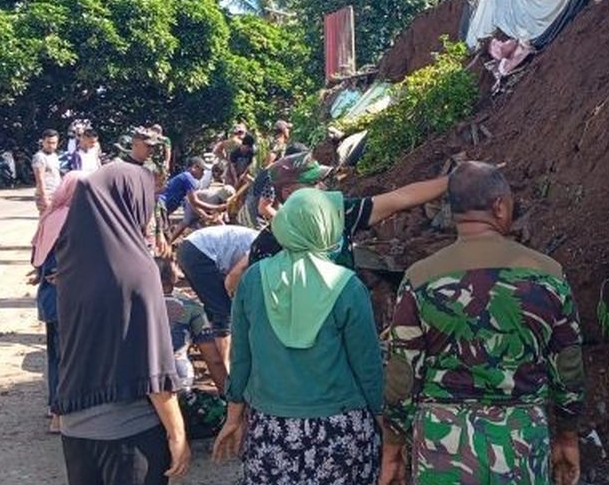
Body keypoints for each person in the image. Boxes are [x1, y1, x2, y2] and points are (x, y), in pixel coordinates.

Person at [379, 162, 585, 485]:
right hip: (521, 442)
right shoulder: (548, 275)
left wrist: (392, 450)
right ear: (499, 206)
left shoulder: (419, 279)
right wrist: (568, 436)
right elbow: (568, 368)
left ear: (454, 212)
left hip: (442, 443)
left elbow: (402, 376)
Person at [212, 188, 383, 484]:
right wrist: (386, 428)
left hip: (271, 430)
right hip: (340, 430)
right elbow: (368, 369)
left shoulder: (253, 279)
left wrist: (233, 416)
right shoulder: (347, 286)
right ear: (327, 227)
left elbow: (241, 357)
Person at [53, 128, 190, 485]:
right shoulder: (137, 270)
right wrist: (177, 432)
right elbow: (153, 359)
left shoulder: (70, 263)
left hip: (75, 428)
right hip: (127, 432)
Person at [225, 152, 448, 293]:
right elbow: (399, 199)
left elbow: (400, 198)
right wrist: (453, 180)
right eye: (315, 182)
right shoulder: (337, 212)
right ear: (289, 191)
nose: (322, 188)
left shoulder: (268, 239)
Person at [30, 170, 85, 434]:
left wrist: (42, 273)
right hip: (70, 299)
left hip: (49, 300)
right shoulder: (75, 219)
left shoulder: (50, 215)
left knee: (55, 355)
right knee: (67, 356)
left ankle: (55, 406)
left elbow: (38, 261)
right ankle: (59, 414)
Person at [156, 258, 230, 441]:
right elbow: (213, 359)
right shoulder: (191, 307)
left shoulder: (127, 304)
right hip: (177, 381)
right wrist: (228, 400)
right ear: (173, 278)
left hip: (138, 386)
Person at [176, 224, 255, 358]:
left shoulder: (262, 241)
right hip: (200, 251)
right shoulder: (264, 246)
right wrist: (230, 294)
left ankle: (213, 350)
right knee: (223, 311)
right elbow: (234, 275)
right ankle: (226, 367)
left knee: (214, 308)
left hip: (193, 247)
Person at [155, 158, 227, 251]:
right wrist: (217, 207)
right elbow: (195, 201)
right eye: (202, 170)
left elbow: (192, 203)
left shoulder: (188, 178)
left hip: (163, 206)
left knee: (164, 233)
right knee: (161, 233)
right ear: (194, 167)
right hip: (161, 205)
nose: (203, 173)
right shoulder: (188, 178)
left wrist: (204, 214)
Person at [32, 129, 62, 213]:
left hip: (56, 193)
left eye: (54, 143)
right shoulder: (40, 157)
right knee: (46, 221)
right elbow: (40, 179)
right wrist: (44, 197)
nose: (51, 145)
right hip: (46, 194)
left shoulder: (55, 156)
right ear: (43, 142)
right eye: (48, 142)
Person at [148, 124, 173, 189]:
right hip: (149, 161)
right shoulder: (149, 137)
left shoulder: (164, 139)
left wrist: (167, 162)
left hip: (159, 162)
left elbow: (168, 151)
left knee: (160, 180)